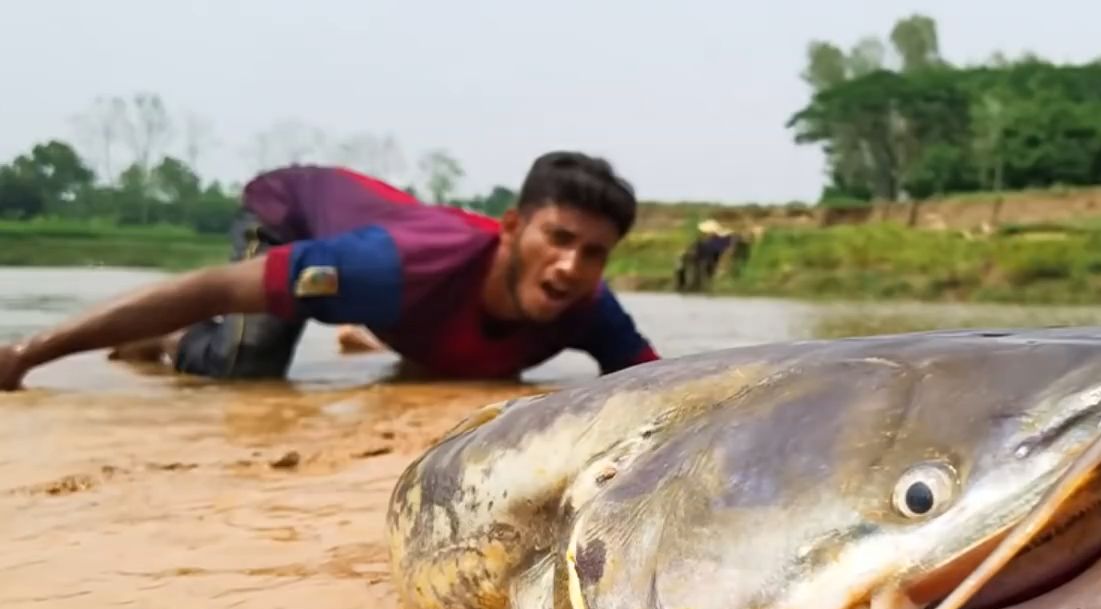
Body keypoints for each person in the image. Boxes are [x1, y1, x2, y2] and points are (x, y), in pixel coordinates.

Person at [0, 151, 659, 390]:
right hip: (293, 213)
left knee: (470, 373)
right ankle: (170, 346)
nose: (572, 266)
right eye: (559, 238)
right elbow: (208, 287)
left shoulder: (587, 302)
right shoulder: (383, 271)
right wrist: (31, 353)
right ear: (514, 227)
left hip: (402, 271)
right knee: (245, 362)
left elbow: (660, 387)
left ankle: (367, 340)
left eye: (594, 252)